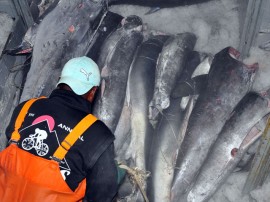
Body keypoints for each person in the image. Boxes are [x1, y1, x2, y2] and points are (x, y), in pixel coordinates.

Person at [2, 56, 124, 202]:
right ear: (93, 92)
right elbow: (103, 193)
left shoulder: (25, 108)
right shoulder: (97, 134)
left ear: (60, 80)